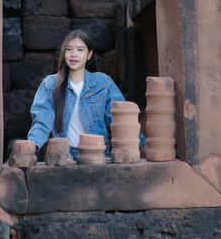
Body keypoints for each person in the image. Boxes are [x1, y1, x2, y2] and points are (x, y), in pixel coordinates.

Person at [27, 29, 146, 160]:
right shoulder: (50, 85)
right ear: (63, 53)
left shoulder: (103, 83)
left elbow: (122, 119)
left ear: (89, 54)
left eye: (80, 50)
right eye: (69, 49)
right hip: (64, 158)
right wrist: (29, 147)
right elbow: (42, 122)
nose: (74, 54)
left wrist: (144, 146)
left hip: (99, 155)